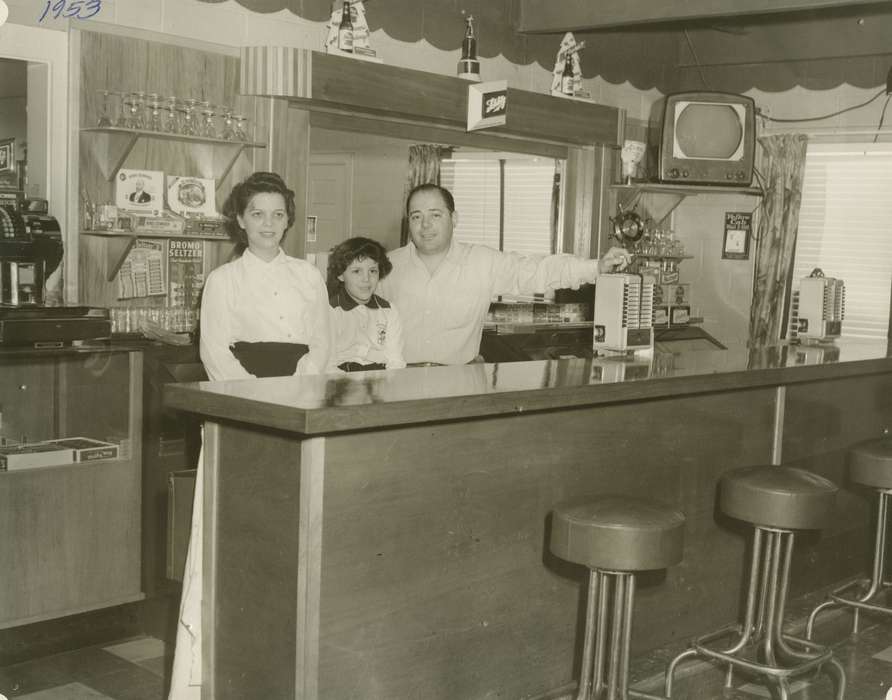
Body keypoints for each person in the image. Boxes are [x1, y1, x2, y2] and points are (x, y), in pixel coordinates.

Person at [168, 171, 330, 700]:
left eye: (278, 214)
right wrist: (260, 402)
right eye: (257, 214)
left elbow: (322, 347)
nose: (268, 224)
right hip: (243, 413)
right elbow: (215, 353)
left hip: (299, 409)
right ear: (239, 220)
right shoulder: (223, 281)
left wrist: (298, 396)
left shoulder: (309, 276)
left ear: (288, 219)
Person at [377, 183, 631, 365]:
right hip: (399, 382)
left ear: (454, 219)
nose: (425, 225)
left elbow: (537, 269)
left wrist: (595, 267)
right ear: (408, 222)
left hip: (458, 384)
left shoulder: (481, 261)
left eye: (435, 215)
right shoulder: (386, 266)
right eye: (416, 216)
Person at [326, 236, 406, 372]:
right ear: (340, 275)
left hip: (380, 382)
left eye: (373, 271)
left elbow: (395, 361)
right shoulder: (330, 311)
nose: (366, 279)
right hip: (341, 381)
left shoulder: (388, 311)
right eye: (357, 271)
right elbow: (326, 364)